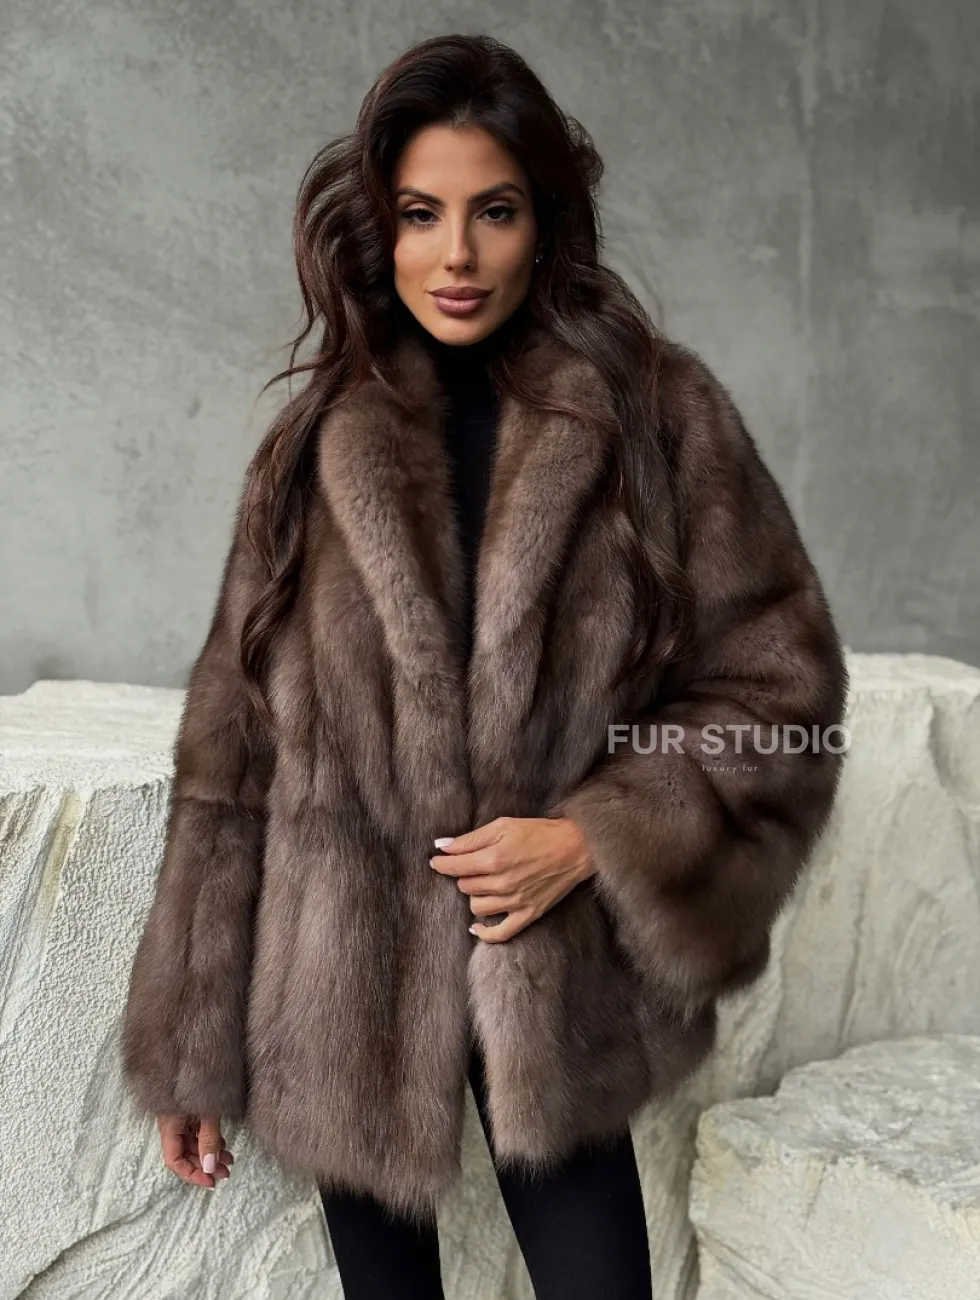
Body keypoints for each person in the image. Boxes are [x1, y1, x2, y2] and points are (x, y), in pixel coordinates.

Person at [120, 32, 849, 1300]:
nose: (454, 254)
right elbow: (228, 759)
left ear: (544, 222)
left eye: (493, 211)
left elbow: (782, 692)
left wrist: (591, 836)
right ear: (379, 226)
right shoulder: (310, 449)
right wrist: (192, 1047)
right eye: (421, 213)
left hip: (553, 982)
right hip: (340, 994)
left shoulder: (655, 420)